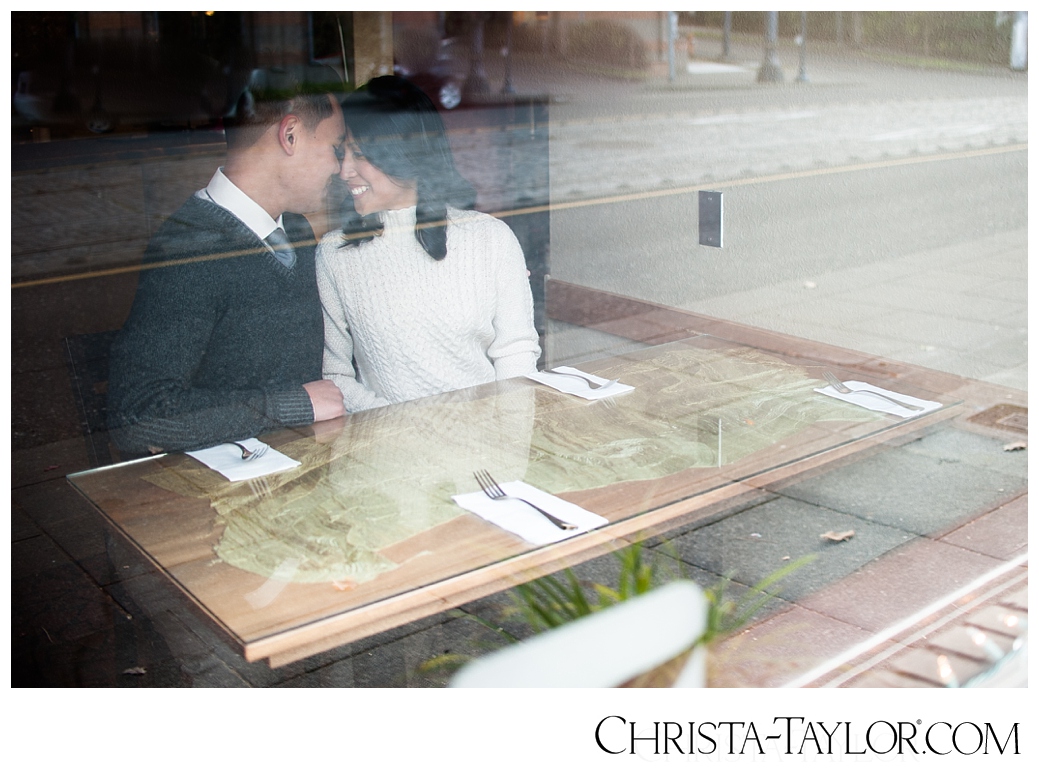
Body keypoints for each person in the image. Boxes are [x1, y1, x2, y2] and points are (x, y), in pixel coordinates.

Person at [107, 85, 347, 457]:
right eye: (335, 147)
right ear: (290, 134)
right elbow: (139, 414)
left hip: (306, 466)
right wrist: (290, 406)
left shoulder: (295, 230)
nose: (340, 166)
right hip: (229, 495)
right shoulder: (190, 251)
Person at [316, 75, 541, 412]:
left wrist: (503, 445)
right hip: (387, 451)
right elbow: (336, 376)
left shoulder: (489, 238)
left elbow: (516, 355)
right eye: (341, 152)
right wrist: (402, 427)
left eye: (360, 154)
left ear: (403, 153)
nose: (344, 170)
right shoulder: (335, 255)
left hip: (482, 453)